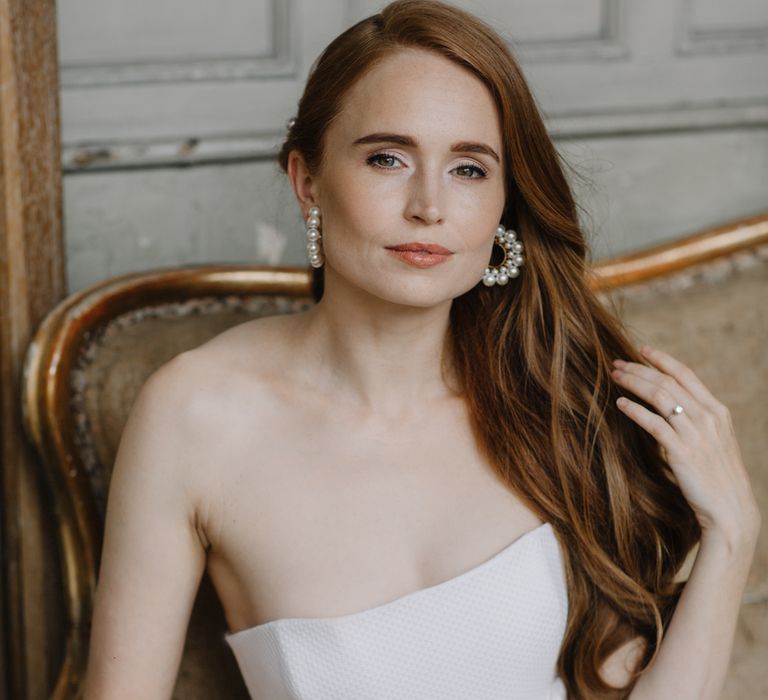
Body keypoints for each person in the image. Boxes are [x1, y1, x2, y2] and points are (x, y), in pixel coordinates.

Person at [82, 1, 761, 698]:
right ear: (307, 182)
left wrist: (731, 535)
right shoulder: (196, 413)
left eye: (469, 169)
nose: (429, 206)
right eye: (387, 158)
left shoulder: (557, 400)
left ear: (503, 203)